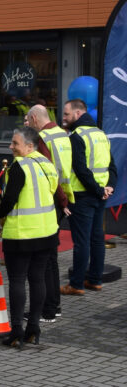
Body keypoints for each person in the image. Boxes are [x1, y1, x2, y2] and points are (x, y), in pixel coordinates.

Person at [0, 127, 59, 347]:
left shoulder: (19, 167)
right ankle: (34, 329)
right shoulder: (47, 164)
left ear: (29, 146)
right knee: (38, 279)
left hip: (21, 234)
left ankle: (16, 332)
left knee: (17, 280)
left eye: (15, 143)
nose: (11, 147)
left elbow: (9, 199)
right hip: (46, 232)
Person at [60, 99, 117, 295]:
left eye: (67, 114)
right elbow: (112, 167)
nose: (64, 118)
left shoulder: (77, 136)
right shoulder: (101, 135)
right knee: (97, 239)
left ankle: (76, 285)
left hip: (84, 196)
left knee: (82, 242)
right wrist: (108, 187)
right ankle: (95, 280)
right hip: (100, 195)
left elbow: (81, 170)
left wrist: (99, 190)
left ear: (78, 114)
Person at [25, 104, 72, 320]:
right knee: (50, 258)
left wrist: (60, 200)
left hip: (52, 200)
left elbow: (47, 171)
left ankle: (48, 310)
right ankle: (55, 306)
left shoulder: (43, 138)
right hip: (64, 197)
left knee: (44, 261)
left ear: (34, 118)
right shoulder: (61, 134)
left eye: (28, 120)